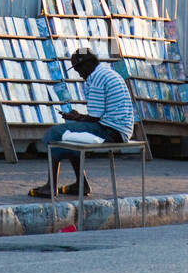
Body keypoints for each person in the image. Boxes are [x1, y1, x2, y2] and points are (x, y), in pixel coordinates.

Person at [28, 48, 135, 198]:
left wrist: (77, 117)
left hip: (110, 130)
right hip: (119, 129)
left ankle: (50, 186)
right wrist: (78, 118)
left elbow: (95, 116)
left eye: (79, 69)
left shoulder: (96, 78)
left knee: (56, 132)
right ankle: (81, 184)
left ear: (87, 65)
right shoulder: (107, 73)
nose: (79, 74)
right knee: (73, 135)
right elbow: (97, 115)